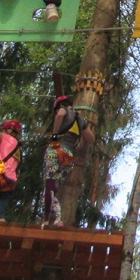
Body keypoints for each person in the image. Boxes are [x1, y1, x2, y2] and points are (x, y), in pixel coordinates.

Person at [42, 94, 95, 228]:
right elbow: (91, 138)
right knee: (54, 188)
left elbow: (60, 115)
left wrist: (54, 135)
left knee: (48, 185)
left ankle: (46, 219)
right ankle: (58, 218)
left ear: (61, 105)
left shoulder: (63, 110)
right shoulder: (80, 118)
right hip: (68, 156)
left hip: (56, 150)